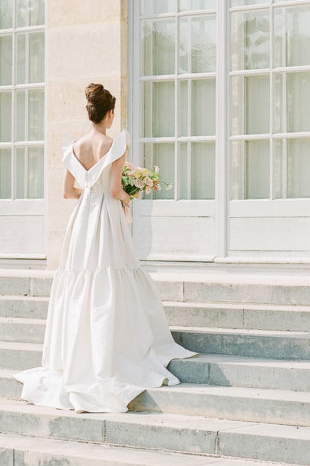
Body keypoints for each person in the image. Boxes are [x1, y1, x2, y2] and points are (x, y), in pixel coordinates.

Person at [14, 83, 196, 412]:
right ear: (109, 114)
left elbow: (68, 193)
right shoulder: (114, 145)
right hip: (107, 220)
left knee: (81, 278)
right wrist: (131, 194)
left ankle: (76, 354)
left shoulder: (74, 148)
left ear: (90, 114)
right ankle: (114, 349)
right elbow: (114, 190)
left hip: (83, 220)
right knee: (113, 274)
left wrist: (90, 194)